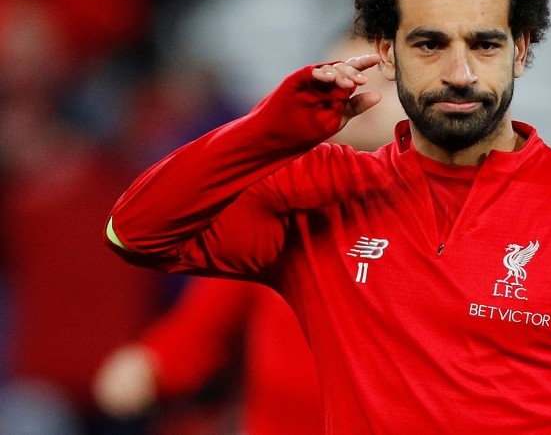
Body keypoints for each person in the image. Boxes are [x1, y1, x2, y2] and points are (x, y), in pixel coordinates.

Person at [104, 0, 551, 433]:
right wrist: (266, 132)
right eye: (430, 44)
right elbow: (135, 232)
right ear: (388, 51)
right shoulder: (319, 196)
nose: (460, 73)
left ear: (521, 49)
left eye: (485, 44)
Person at [93, 35, 402, 434]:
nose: (362, 94)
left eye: (383, 82)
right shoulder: (285, 206)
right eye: (347, 80)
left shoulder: (450, 218)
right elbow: (203, 324)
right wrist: (150, 364)